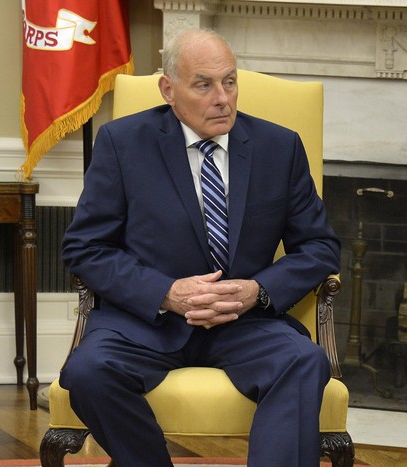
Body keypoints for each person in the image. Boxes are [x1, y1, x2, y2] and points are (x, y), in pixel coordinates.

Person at [60, 28, 340, 467]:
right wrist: (166, 293)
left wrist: (258, 291)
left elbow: (320, 247)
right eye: (204, 84)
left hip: (244, 321)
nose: (223, 98)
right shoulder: (122, 143)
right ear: (168, 89)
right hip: (147, 322)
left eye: (229, 81)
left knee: (304, 361)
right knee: (88, 372)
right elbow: (85, 248)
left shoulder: (278, 147)